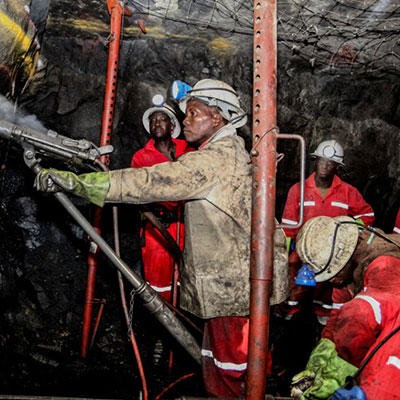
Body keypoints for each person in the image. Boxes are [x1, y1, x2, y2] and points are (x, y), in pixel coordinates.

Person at [34, 79, 289, 397]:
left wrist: (79, 184)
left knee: (232, 376)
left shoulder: (212, 161)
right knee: (224, 368)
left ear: (218, 117)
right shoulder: (233, 153)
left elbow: (149, 182)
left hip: (232, 291)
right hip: (235, 288)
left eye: (193, 112)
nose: (186, 120)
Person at [290, 215, 400, 399]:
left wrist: (334, 378)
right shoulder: (350, 265)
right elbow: (338, 319)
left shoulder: (385, 269)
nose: (332, 280)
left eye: (331, 274)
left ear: (343, 258)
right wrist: (319, 362)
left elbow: (359, 320)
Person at [280, 140, 375, 324]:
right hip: (303, 252)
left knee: (326, 290)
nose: (325, 165)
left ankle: (323, 321)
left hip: (332, 254)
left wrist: (348, 229)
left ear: (337, 167)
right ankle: (286, 317)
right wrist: (285, 255)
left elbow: (368, 215)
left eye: (330, 162)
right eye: (321, 160)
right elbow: (288, 226)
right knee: (294, 287)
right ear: (315, 161)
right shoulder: (298, 190)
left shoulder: (347, 192)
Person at [132, 94, 191, 302]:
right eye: (152, 120)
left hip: (188, 227)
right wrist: (163, 233)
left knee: (188, 281)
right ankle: (162, 328)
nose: (156, 123)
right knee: (159, 286)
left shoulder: (187, 149)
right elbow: (138, 199)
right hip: (156, 229)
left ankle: (188, 324)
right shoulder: (141, 157)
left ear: (172, 124)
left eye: (162, 118)